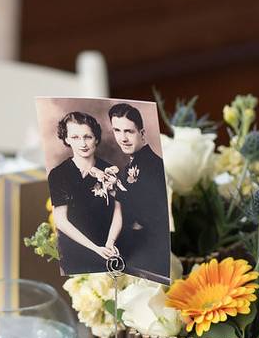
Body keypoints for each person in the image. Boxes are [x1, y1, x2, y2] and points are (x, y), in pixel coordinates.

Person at [47, 111, 123, 275]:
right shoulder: (58, 174)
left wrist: (109, 243)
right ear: (66, 139)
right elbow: (61, 221)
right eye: (75, 137)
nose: (83, 143)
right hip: (74, 252)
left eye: (87, 137)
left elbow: (119, 211)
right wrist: (95, 249)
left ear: (96, 138)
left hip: (109, 248)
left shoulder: (109, 171)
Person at [107, 103, 171, 283]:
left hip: (155, 253)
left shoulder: (158, 167)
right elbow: (119, 211)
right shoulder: (125, 170)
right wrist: (109, 244)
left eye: (129, 131)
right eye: (117, 131)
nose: (123, 138)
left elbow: (154, 217)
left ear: (141, 133)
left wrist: (120, 189)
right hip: (132, 248)